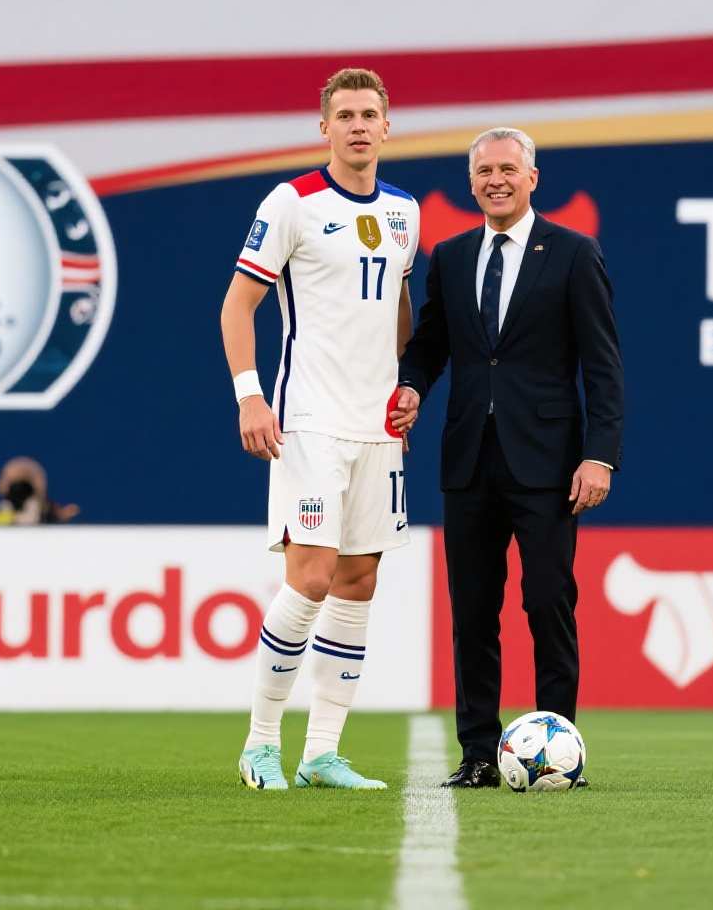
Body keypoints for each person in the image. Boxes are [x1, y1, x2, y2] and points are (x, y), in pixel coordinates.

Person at [389, 127, 624, 788]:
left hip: (549, 464)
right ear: (471, 183)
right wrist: (411, 386)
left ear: (532, 178)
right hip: (469, 460)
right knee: (472, 613)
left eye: (508, 170)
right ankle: (476, 754)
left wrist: (600, 456)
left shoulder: (574, 252)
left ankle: (558, 750)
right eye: (485, 171)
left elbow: (603, 366)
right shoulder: (452, 255)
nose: (496, 180)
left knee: (548, 603)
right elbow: (432, 343)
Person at [221, 68, 419, 791]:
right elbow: (237, 306)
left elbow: (397, 306)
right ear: (325, 127)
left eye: (370, 114)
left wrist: (407, 384)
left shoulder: (404, 211)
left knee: (358, 581)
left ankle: (322, 753)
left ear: (387, 126)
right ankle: (259, 745)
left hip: (378, 428)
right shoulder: (292, 202)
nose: (359, 126)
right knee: (309, 577)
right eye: (346, 115)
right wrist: (250, 397)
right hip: (309, 420)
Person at [0, 456, 78, 525]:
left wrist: (62, 514)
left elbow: (59, 514)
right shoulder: (0, 510)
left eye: (25, 487)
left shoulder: (43, 509)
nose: (20, 493)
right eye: (15, 487)